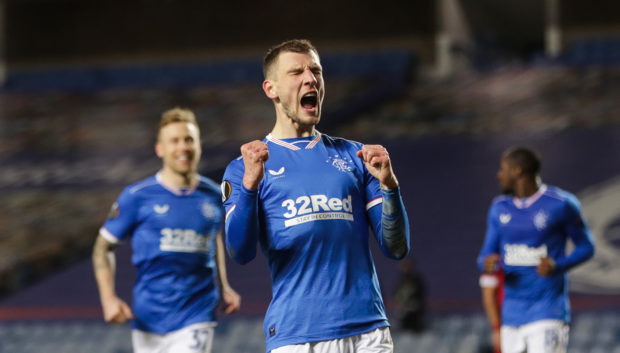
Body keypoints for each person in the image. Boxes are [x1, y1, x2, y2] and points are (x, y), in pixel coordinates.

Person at [221, 39, 411, 353]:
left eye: (316, 71)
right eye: (297, 72)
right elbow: (240, 253)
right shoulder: (245, 167)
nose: (311, 79)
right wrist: (251, 187)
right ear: (272, 89)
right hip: (298, 336)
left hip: (368, 332)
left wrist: (390, 187)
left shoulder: (356, 157)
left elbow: (396, 248)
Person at [92, 107, 241, 353]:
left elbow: (213, 237)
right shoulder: (136, 197)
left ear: (199, 146)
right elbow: (102, 248)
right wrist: (108, 299)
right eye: (174, 141)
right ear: (160, 149)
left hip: (197, 311)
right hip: (148, 317)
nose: (182, 147)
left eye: (188, 140)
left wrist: (223, 286)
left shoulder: (215, 196)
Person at [477, 146, 595, 353]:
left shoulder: (561, 204)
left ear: (518, 171)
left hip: (547, 312)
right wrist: (486, 263)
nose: (499, 175)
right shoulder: (498, 208)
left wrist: (558, 265)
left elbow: (587, 246)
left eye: (503, 169)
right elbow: (484, 256)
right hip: (511, 316)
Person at [479, 267, 504, 353]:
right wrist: (497, 328)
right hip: (507, 324)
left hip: (540, 319)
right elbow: (488, 296)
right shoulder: (496, 256)